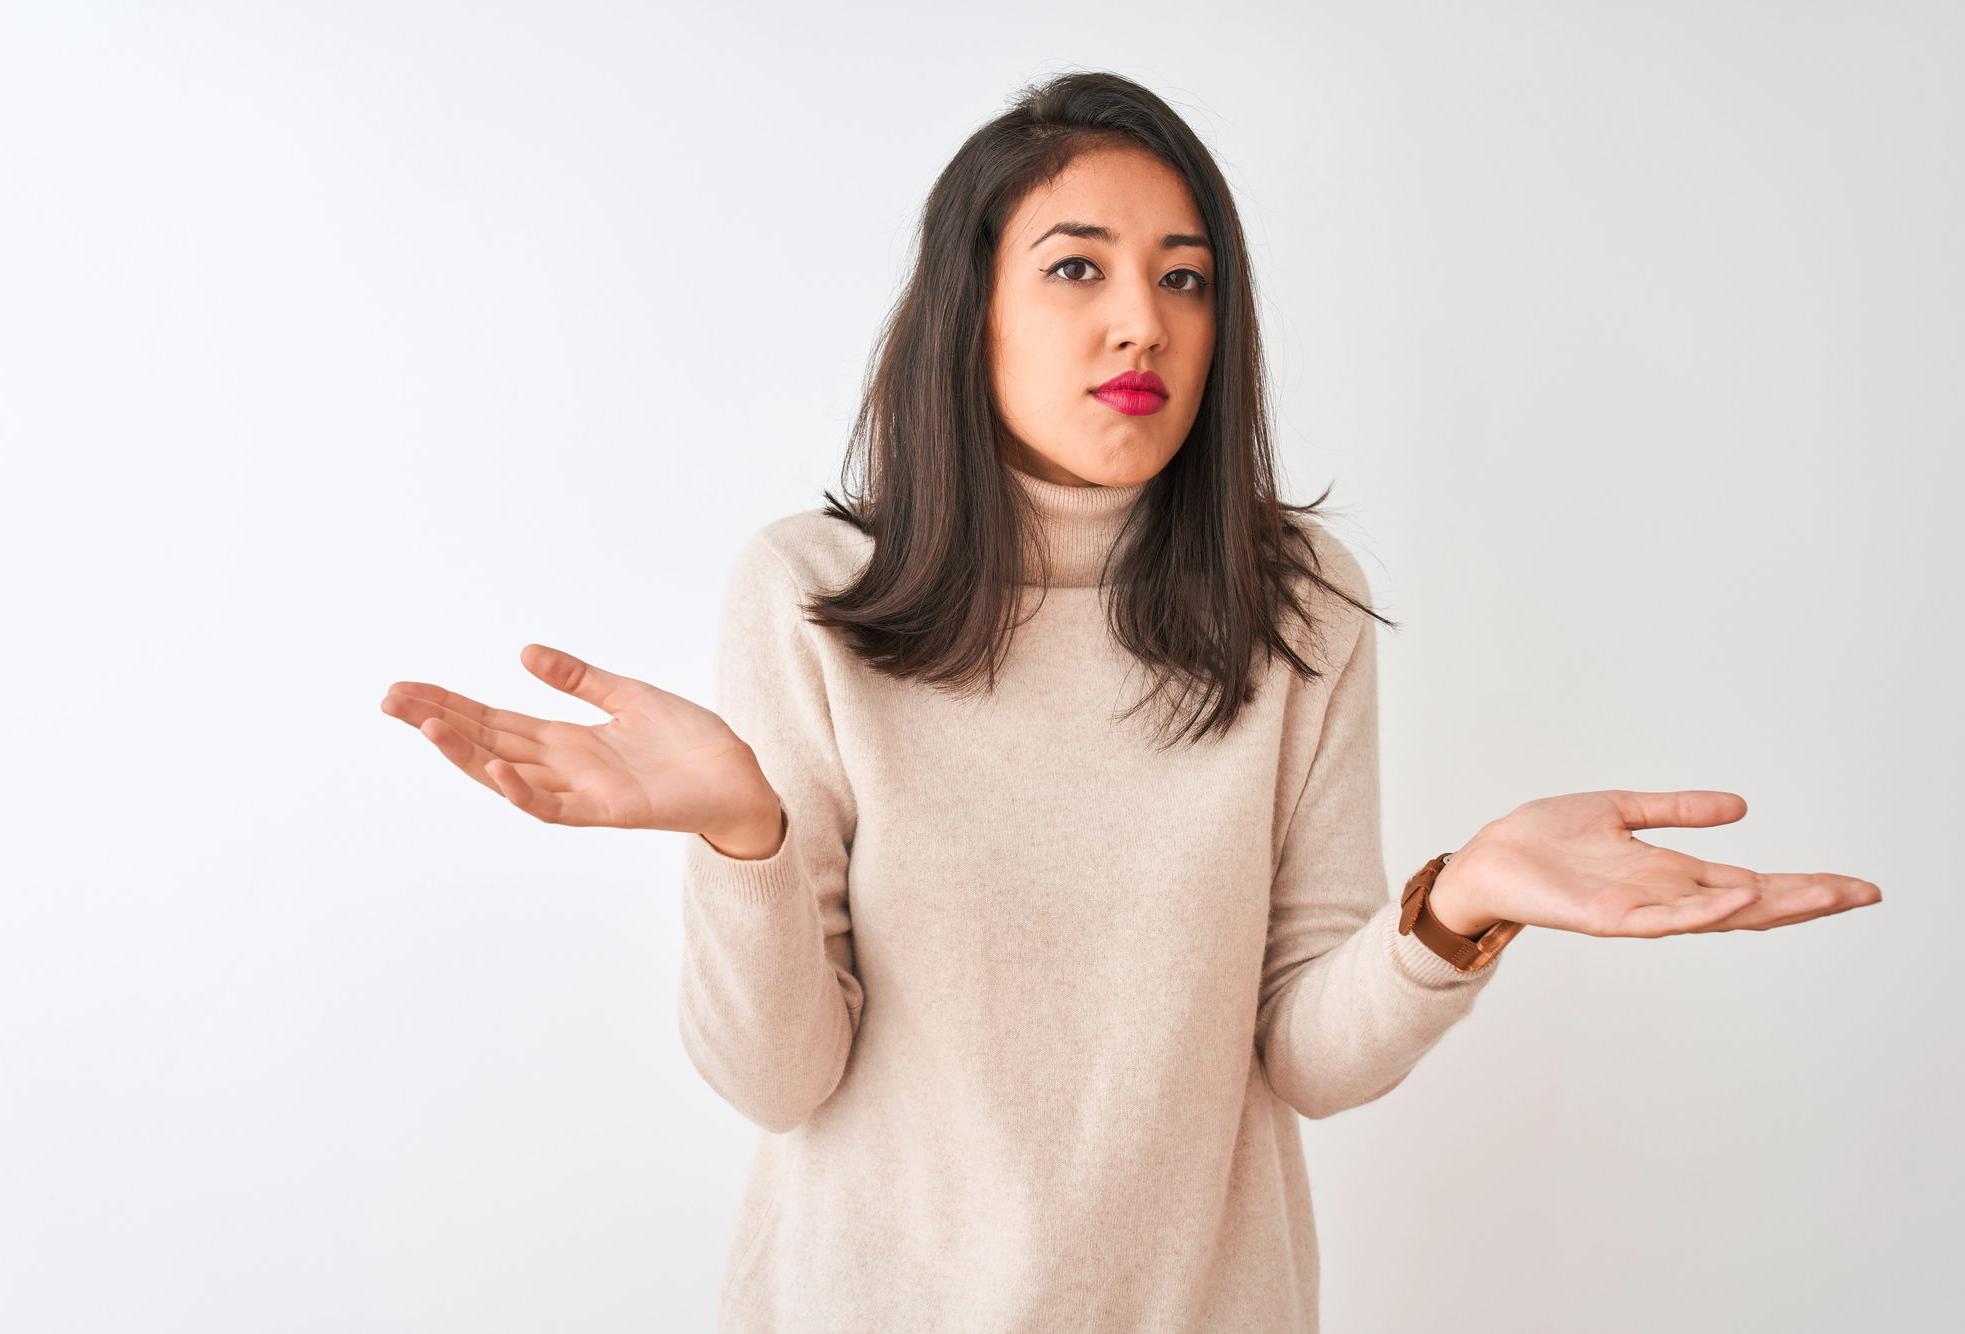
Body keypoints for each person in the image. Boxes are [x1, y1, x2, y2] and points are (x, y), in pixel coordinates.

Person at [380, 72, 1879, 1333]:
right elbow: (781, 1080)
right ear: (972, 308)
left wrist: (1460, 900)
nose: (1142, 324)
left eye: (1185, 277)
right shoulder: (808, 593)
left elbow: (1306, 1053)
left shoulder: (1300, 606)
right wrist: (742, 837)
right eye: (1079, 267)